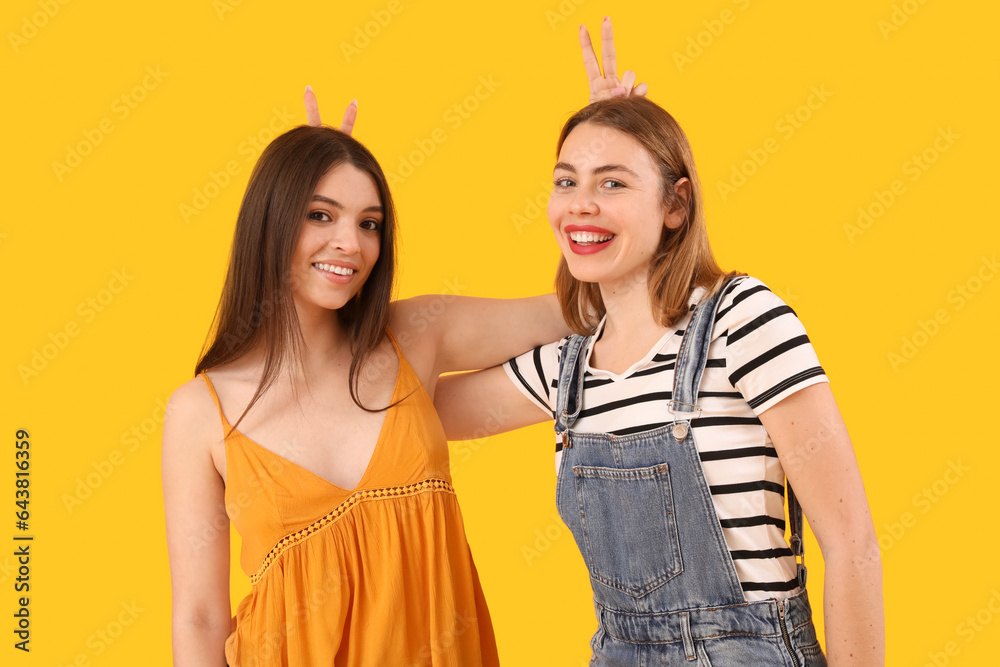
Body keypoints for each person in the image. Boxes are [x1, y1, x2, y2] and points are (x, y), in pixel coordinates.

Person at [161, 20, 643, 666]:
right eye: (320, 214)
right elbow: (198, 619)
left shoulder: (414, 335)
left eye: (368, 223)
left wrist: (619, 168)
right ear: (271, 218)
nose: (350, 244)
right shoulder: (200, 412)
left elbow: (583, 309)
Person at [434, 32, 885, 666]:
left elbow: (851, 544)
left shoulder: (741, 320)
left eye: (613, 184)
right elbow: (392, 398)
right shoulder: (565, 370)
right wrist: (326, 262)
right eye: (567, 181)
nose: (579, 204)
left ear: (676, 204)